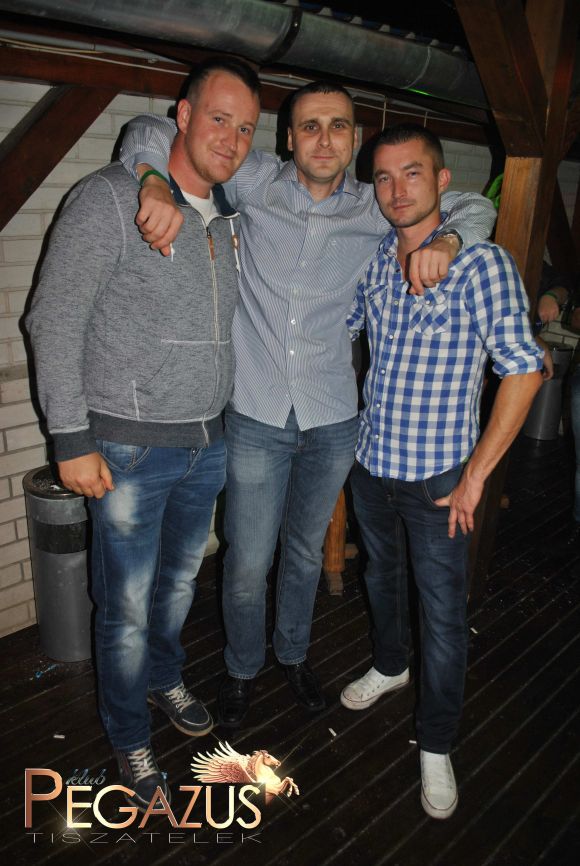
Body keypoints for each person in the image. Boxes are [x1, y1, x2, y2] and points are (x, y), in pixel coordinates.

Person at [117, 81, 497, 728]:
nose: (325, 139)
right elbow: (147, 131)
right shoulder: (255, 181)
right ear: (289, 138)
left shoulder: (376, 205)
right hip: (257, 412)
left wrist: (451, 241)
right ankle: (242, 668)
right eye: (310, 126)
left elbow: (469, 204)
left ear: (355, 138)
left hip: (333, 420)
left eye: (338, 126)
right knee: (247, 560)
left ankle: (292, 655)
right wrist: (153, 181)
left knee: (302, 554)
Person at [26, 58, 261, 809]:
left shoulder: (228, 215)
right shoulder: (109, 197)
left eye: (245, 128)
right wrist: (70, 437)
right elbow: (52, 318)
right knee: (124, 608)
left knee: (178, 586)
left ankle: (164, 678)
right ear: (182, 117)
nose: (231, 139)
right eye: (218, 118)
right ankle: (129, 733)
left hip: (205, 444)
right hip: (126, 448)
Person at [341, 124, 543, 819]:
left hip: (439, 482)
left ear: (442, 180)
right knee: (380, 578)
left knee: (444, 617)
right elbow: (342, 330)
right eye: (384, 177)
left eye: (413, 173)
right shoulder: (376, 258)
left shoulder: (480, 264)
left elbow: (525, 369)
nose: (397, 190)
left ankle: (436, 743)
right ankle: (390, 667)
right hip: (370, 465)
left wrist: (477, 476)